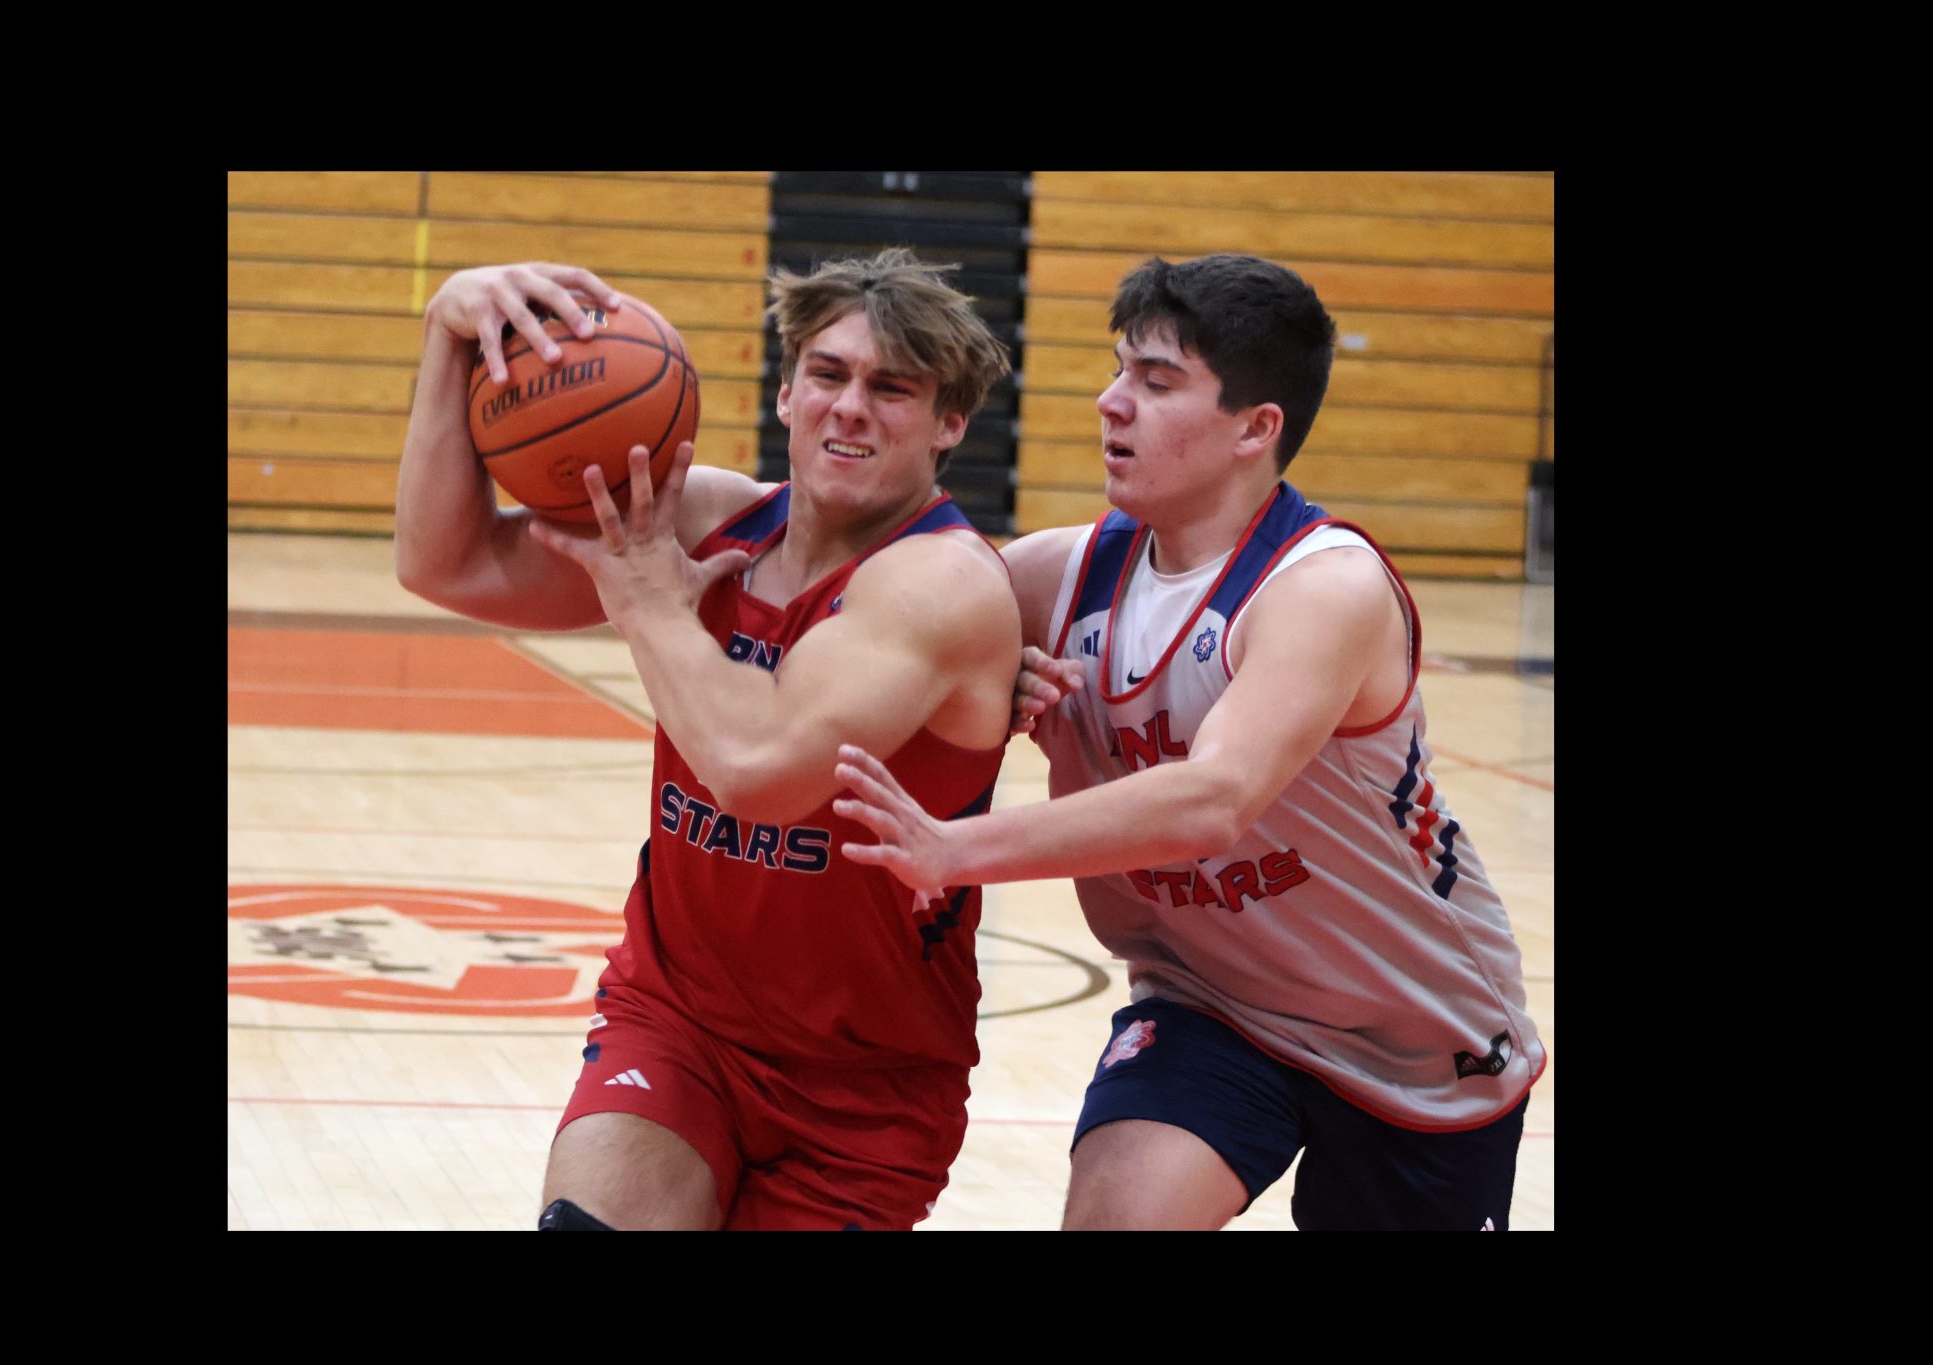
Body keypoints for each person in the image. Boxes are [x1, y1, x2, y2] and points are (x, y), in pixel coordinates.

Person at [831, 253, 1547, 1231]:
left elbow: (1214, 800)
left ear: (1256, 428)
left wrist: (954, 849)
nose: (1110, 400)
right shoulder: (1050, 578)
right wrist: (984, 683)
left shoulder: (1321, 589)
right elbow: (857, 621)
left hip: (1414, 1034)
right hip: (1208, 1004)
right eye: (1119, 368)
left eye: (1157, 381)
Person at [394, 251, 1021, 1230]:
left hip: (860, 1090)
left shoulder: (938, 584)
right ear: (786, 393)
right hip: (676, 1021)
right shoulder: (705, 520)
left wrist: (648, 605)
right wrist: (446, 336)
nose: (850, 406)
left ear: (951, 423)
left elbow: (756, 772)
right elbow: (445, 563)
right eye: (828, 374)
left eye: (892, 388)